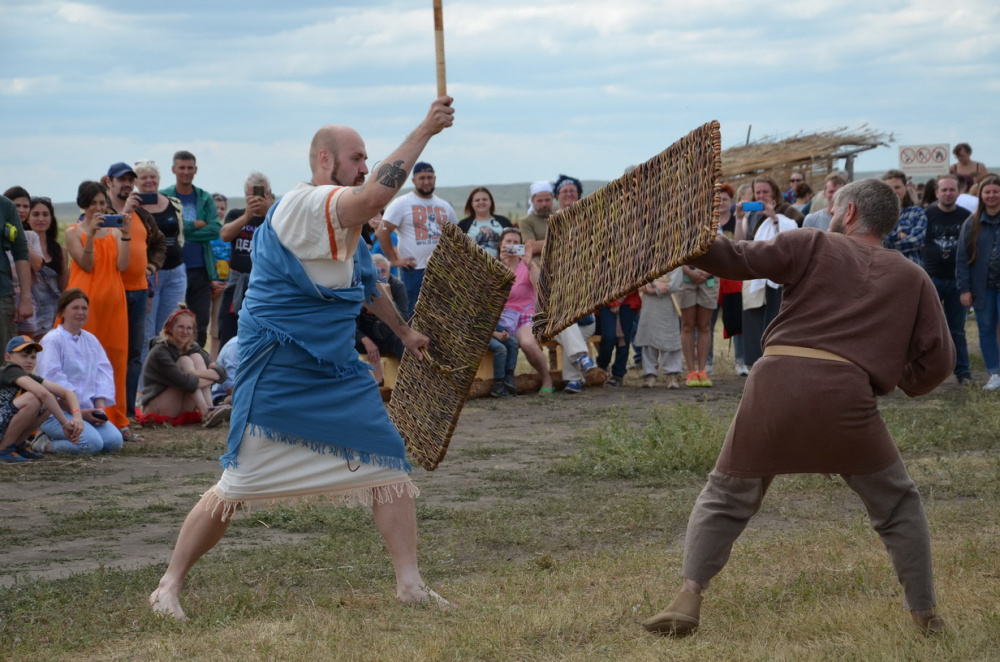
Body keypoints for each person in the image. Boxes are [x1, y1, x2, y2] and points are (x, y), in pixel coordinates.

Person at [149, 96, 455, 620]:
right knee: (236, 486)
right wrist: (425, 129)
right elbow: (375, 195)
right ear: (325, 160)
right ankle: (168, 585)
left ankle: (410, 584)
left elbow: (364, 283)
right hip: (279, 369)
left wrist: (404, 333)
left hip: (336, 370)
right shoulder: (304, 205)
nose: (364, 166)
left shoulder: (344, 225)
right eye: (357, 158)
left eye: (367, 158)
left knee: (388, 462)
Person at [642, 179, 955, 637]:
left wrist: (675, 233)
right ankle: (925, 615)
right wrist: (894, 376)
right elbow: (938, 362)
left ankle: (687, 597)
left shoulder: (812, 243)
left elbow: (734, 258)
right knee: (897, 505)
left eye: (835, 207)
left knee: (726, 495)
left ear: (849, 212)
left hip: (775, 384)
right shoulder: (912, 276)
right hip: (848, 396)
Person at [64, 181, 132, 435]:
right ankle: (82, 414)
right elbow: (87, 264)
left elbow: (123, 266)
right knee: (83, 360)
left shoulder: (114, 233)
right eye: (93, 203)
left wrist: (126, 234)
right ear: (83, 205)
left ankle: (116, 418)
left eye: (102, 203)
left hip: (114, 304)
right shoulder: (73, 232)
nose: (98, 208)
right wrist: (91, 235)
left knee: (115, 359)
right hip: (85, 304)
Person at [103, 162, 167, 423]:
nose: (128, 184)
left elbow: (160, 242)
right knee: (111, 352)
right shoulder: (103, 212)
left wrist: (150, 267)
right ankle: (108, 410)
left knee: (133, 355)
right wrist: (125, 212)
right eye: (122, 180)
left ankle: (128, 411)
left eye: (131, 180)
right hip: (112, 291)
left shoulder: (143, 215)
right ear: (109, 182)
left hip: (139, 292)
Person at [33, 289, 124, 455]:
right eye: (75, 308)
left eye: (84, 308)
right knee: (92, 444)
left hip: (86, 412)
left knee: (114, 442)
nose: (80, 312)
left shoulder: (91, 340)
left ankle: (81, 432)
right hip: (57, 413)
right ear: (62, 312)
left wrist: (99, 410)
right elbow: (52, 384)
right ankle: (43, 443)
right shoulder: (52, 340)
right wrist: (78, 413)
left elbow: (102, 375)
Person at [376, 161, 457, 318]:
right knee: (414, 314)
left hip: (442, 271)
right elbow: (382, 231)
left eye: (429, 177)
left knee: (444, 314)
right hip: (414, 270)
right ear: (414, 180)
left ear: (435, 179)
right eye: (422, 178)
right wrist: (395, 259)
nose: (426, 182)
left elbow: (457, 236)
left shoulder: (444, 206)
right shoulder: (402, 203)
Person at [160, 150, 222, 347]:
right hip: (171, 267)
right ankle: (169, 359)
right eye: (182, 168)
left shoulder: (204, 197)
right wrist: (195, 224)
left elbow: (215, 229)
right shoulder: (164, 197)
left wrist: (179, 230)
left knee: (200, 323)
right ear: (173, 169)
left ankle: (197, 359)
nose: (186, 172)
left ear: (196, 170)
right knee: (169, 321)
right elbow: (162, 227)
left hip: (200, 269)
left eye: (189, 168)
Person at [738, 176, 798, 367]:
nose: (761, 196)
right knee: (754, 323)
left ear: (774, 193)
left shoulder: (787, 211)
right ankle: (754, 364)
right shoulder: (751, 215)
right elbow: (740, 242)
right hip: (755, 275)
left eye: (765, 192)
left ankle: (775, 363)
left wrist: (774, 217)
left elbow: (791, 240)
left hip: (778, 277)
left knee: (775, 322)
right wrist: (738, 218)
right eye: (758, 192)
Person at [135, 160, 187, 371]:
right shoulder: (134, 207)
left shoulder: (173, 203)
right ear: (136, 182)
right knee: (147, 334)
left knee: (170, 330)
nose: (149, 181)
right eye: (144, 177)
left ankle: (167, 378)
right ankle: (144, 384)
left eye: (153, 176)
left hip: (175, 273)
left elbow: (180, 234)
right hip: (148, 276)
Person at [0, 335, 84, 463]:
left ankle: (16, 445)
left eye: (33, 357)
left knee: (50, 400)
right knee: (34, 398)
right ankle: (4, 449)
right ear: (8, 357)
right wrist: (65, 424)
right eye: (24, 356)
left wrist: (77, 415)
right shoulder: (10, 369)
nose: (29, 361)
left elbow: (67, 393)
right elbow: (43, 394)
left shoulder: (28, 376)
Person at [923, 174, 974, 385]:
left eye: (952, 189)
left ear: (958, 192)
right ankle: (927, 373)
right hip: (931, 279)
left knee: (957, 330)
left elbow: (973, 248)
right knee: (927, 330)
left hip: (957, 281)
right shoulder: (926, 215)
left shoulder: (967, 217)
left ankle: (963, 373)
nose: (948, 193)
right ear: (936, 192)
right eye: (944, 190)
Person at [140, 308, 227, 423]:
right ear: (170, 328)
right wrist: (212, 377)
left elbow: (222, 374)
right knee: (184, 360)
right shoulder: (160, 351)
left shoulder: (193, 347)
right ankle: (206, 411)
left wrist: (194, 373)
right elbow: (185, 382)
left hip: (181, 404)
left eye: (189, 328)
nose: (185, 332)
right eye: (180, 327)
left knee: (196, 357)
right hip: (159, 406)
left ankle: (210, 409)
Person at [218, 173, 273, 349]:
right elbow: (225, 235)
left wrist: (269, 213)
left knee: (261, 337)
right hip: (237, 285)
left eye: (260, 194)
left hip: (265, 286)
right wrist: (247, 216)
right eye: (251, 195)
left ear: (269, 193)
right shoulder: (236, 214)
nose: (256, 199)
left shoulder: (276, 218)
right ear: (245, 195)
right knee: (228, 334)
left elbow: (285, 239)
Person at [956, 173, 1000, 391]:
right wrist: (964, 289)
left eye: (996, 191)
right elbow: (962, 258)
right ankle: (995, 373)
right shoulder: (972, 222)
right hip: (982, 287)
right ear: (981, 195)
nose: (991, 195)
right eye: (987, 192)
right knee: (986, 329)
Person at [498, 227, 552, 395]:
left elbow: (539, 288)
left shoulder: (527, 265)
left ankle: (547, 379)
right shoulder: (495, 267)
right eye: (508, 241)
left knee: (528, 343)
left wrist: (531, 265)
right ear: (501, 245)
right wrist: (504, 267)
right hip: (501, 317)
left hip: (524, 313)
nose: (512, 245)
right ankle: (500, 382)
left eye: (516, 242)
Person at [355, 254, 409, 385]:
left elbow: (404, 320)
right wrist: (365, 340)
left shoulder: (397, 286)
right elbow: (349, 324)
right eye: (376, 272)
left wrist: (389, 300)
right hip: (365, 337)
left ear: (389, 272)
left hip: (389, 336)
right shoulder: (360, 286)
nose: (380, 276)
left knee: (403, 339)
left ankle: (409, 378)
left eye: (383, 271)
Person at [2, 186, 44, 337]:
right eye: (17, 206)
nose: (21, 210)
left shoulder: (31, 236)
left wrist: (19, 238)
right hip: (8, 292)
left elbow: (37, 264)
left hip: (19, 295)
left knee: (23, 343)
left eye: (25, 206)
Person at [633, 268, 683, 389]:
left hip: (668, 305)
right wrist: (655, 284)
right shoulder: (645, 262)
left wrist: (652, 286)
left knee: (669, 339)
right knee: (648, 339)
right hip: (649, 305)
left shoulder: (676, 262)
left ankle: (671, 375)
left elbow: (672, 285)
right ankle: (650, 375)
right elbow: (638, 281)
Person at [26, 197, 68, 336]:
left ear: (51, 219)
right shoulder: (21, 248)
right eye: (36, 214)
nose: (41, 219)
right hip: (30, 313)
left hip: (55, 314)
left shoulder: (60, 250)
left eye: (45, 214)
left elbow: (64, 285)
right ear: (27, 218)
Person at [0, 196, 34, 351]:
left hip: (2, 296)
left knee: (4, 360)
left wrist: (26, 298)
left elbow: (20, 251)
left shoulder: (5, 205)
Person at [881, 169, 928, 265]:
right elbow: (873, 240)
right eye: (889, 188)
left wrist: (884, 248)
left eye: (897, 187)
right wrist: (898, 236)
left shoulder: (917, 213)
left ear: (905, 189)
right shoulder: (877, 215)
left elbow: (916, 241)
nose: (894, 191)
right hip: (884, 267)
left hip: (911, 267)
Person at [457, 187, 512, 258]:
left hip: (502, 264)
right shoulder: (463, 225)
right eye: (477, 200)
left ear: (490, 202)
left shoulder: (504, 222)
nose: (481, 202)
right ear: (471, 203)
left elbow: (515, 243)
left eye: (484, 199)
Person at [208, 193, 230, 359]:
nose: (220, 211)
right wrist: (210, 281)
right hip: (206, 283)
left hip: (224, 285)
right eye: (216, 208)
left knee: (217, 327)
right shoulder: (204, 232)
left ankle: (213, 360)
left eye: (222, 208)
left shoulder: (228, 233)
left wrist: (227, 281)